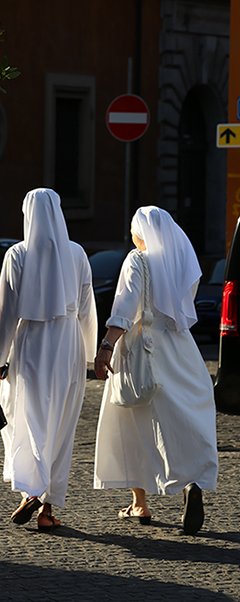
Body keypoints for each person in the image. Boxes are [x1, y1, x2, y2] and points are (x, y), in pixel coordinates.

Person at [94, 206, 218, 535]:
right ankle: (191, 482)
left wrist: (106, 346)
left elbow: (124, 307)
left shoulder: (138, 260)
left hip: (141, 349)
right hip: (181, 348)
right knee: (184, 417)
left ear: (141, 232)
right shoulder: (180, 263)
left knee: (130, 420)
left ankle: (140, 502)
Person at [0, 188, 97, 531]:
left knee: (27, 419)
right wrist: (91, 352)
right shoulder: (77, 253)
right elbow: (86, 305)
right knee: (62, 425)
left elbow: (4, 310)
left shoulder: (17, 254)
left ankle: (29, 491)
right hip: (68, 346)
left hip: (31, 344)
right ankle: (47, 510)